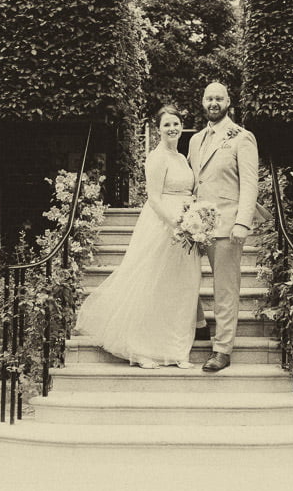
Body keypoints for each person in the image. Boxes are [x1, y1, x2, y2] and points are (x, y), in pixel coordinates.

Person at [75, 105, 201, 369]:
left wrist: (195, 221)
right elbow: (154, 199)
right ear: (158, 129)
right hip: (163, 227)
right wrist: (176, 224)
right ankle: (142, 349)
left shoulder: (182, 157)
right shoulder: (157, 157)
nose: (173, 129)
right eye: (167, 125)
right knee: (152, 285)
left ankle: (177, 350)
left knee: (181, 287)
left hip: (187, 230)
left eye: (176, 123)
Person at [188, 82, 259, 372]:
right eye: (209, 98)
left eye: (219, 98)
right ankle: (200, 324)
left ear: (228, 101)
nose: (213, 102)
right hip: (195, 226)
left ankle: (222, 348)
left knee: (225, 289)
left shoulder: (242, 137)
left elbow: (250, 182)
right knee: (182, 278)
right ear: (203, 102)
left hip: (228, 224)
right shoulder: (195, 140)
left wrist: (243, 221)